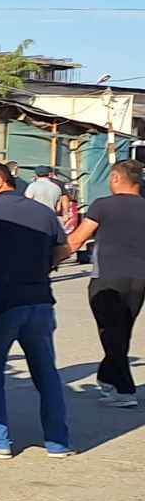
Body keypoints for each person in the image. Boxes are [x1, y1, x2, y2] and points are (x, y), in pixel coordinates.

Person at [0, 162, 74, 458]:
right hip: (40, 302)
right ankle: (58, 442)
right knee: (46, 373)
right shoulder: (43, 212)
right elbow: (61, 251)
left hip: (1, 304)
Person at [69, 158, 145, 409]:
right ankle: (108, 379)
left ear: (115, 178)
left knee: (111, 332)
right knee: (121, 331)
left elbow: (77, 239)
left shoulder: (103, 206)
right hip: (139, 280)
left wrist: (49, 259)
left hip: (107, 278)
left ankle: (125, 391)